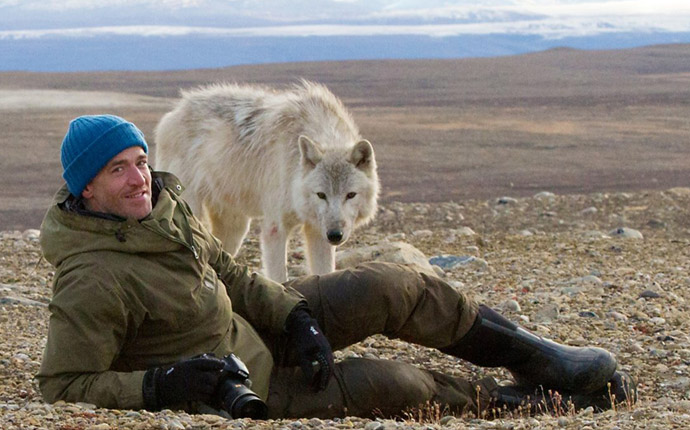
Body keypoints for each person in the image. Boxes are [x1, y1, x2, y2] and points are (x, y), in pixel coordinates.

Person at [37, 114, 636, 419]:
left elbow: (233, 274)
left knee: (391, 287)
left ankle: (541, 357)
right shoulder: (90, 278)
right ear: (85, 188)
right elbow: (62, 385)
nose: (140, 177)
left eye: (140, 160)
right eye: (118, 168)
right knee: (400, 385)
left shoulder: (163, 213)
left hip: (259, 326)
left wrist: (295, 316)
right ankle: (526, 400)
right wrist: (161, 386)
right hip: (244, 384)